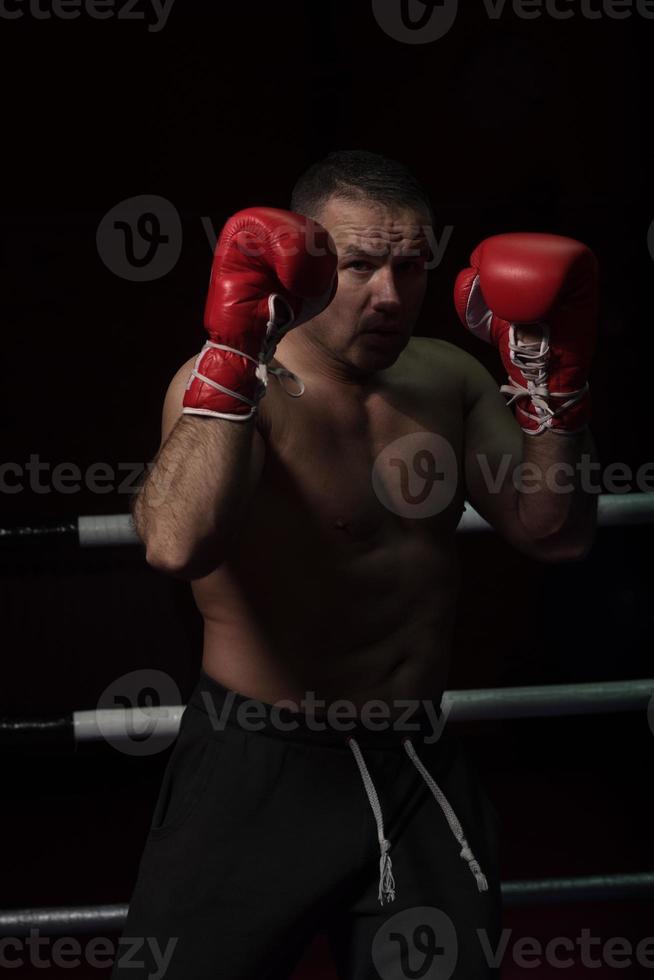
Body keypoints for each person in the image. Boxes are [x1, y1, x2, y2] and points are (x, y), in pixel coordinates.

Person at [112, 150, 598, 980]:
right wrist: (231, 365)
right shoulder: (230, 385)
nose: (388, 296)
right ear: (301, 265)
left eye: (409, 268)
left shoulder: (449, 379)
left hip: (413, 759)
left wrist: (553, 390)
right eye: (359, 266)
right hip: (258, 766)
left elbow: (553, 531)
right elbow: (174, 545)